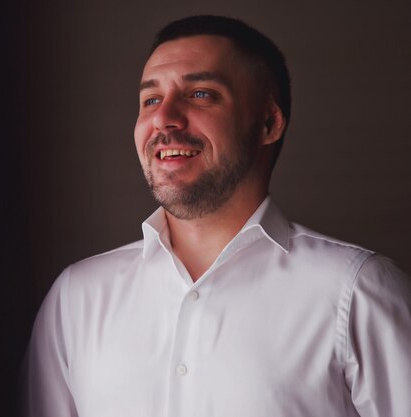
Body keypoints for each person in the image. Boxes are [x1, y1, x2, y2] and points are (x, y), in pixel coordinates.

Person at [21, 15, 411, 417]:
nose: (164, 118)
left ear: (268, 122)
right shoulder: (75, 299)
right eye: (150, 100)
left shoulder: (359, 292)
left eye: (201, 94)